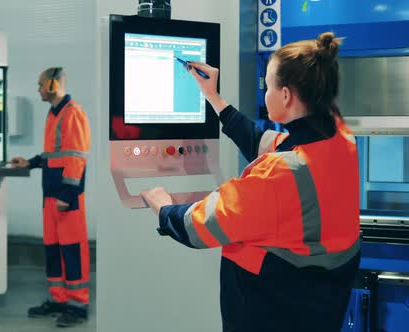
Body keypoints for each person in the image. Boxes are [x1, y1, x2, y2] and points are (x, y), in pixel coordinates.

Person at [140, 32, 360, 332]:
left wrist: (163, 206)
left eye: (267, 84)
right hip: (319, 303)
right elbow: (265, 142)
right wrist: (214, 99)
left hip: (272, 308)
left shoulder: (278, 175)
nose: (265, 91)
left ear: (285, 95)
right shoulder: (340, 140)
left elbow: (199, 226)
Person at [9, 67, 91, 328]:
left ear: (53, 85)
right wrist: (29, 163)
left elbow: (77, 157)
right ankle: (58, 299)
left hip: (67, 199)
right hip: (50, 197)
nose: (38, 89)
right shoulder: (53, 114)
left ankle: (78, 305)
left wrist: (67, 194)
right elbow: (52, 156)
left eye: (40, 84)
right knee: (54, 250)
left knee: (72, 251)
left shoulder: (73, 112)